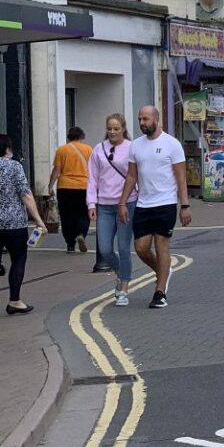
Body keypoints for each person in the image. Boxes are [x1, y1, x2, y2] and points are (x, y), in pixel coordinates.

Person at [118, 106, 190, 309]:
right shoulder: (136, 146)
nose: (142, 123)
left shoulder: (171, 144)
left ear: (156, 119)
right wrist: (122, 202)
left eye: (146, 119)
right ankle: (163, 270)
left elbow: (181, 177)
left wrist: (184, 205)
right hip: (143, 203)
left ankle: (160, 293)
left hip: (166, 203)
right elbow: (132, 176)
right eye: (140, 119)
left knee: (161, 246)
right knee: (140, 248)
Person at [87, 114, 136, 305]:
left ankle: (123, 289)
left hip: (127, 203)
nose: (113, 132)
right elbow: (92, 179)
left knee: (124, 247)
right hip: (104, 205)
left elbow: (137, 175)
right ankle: (121, 273)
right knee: (105, 249)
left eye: (116, 128)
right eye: (110, 128)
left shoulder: (132, 148)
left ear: (123, 129)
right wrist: (91, 204)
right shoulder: (98, 150)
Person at [1, 134, 46, 315]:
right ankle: (15, 301)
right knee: (18, 259)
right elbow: (25, 194)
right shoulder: (14, 167)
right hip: (14, 223)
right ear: (7, 149)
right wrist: (38, 219)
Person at [48, 127, 95, 262]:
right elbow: (93, 169)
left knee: (67, 215)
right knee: (83, 214)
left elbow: (57, 170)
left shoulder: (62, 150)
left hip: (65, 186)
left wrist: (50, 185)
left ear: (69, 137)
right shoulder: (88, 150)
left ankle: (70, 244)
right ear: (81, 136)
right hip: (83, 186)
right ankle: (81, 234)